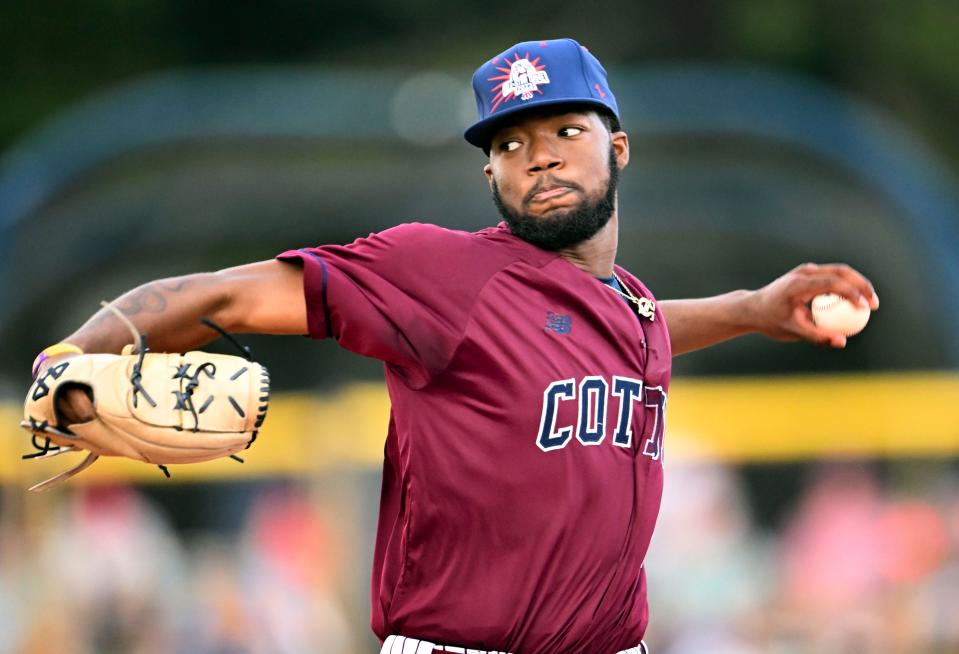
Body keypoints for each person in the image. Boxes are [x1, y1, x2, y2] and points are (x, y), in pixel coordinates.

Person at [36, 38, 878, 654]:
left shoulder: (627, 309)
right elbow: (226, 294)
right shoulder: (442, 274)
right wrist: (70, 354)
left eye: (563, 132)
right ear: (489, 176)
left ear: (617, 148)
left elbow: (645, 327)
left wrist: (754, 308)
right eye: (509, 144)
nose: (536, 157)